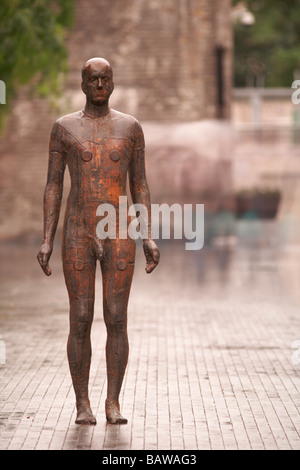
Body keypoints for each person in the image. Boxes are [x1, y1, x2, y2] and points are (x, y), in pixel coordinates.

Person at [37, 57, 160, 425]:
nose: (99, 85)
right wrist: (47, 238)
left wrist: (148, 235)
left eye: (105, 78)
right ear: (82, 84)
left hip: (118, 230)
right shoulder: (64, 128)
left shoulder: (130, 128)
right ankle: (82, 404)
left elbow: (139, 183)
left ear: (113, 82)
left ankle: (113, 402)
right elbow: (54, 184)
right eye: (93, 79)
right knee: (79, 318)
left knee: (117, 318)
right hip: (78, 229)